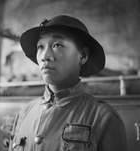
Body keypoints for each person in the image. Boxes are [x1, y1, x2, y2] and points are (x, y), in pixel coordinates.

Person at [9, 15, 127, 151]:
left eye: (57, 45)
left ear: (82, 55)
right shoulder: (23, 115)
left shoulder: (103, 118)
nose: (45, 56)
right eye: (40, 47)